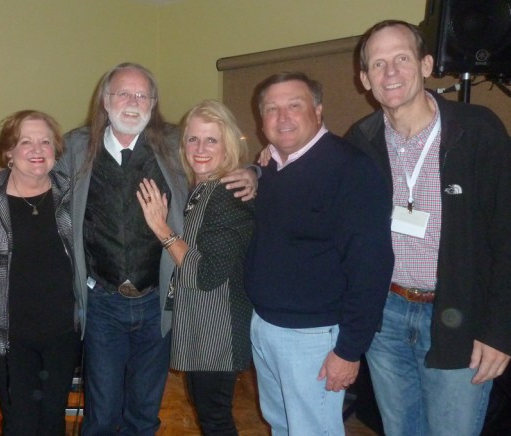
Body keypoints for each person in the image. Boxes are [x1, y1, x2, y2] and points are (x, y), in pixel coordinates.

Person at [0, 62, 257, 434]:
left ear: (153, 103)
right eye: (123, 93)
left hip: (157, 305)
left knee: (143, 411)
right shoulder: (76, 147)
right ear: (105, 100)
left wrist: (254, 173)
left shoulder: (175, 145)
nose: (132, 102)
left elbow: (221, 158)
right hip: (103, 305)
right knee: (101, 413)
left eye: (142, 95)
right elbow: (34, 169)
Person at [346, 20, 511, 436]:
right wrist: (259, 171)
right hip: (387, 317)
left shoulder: (477, 130)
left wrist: (501, 331)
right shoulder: (360, 141)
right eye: (378, 64)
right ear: (365, 79)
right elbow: (317, 183)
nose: (390, 72)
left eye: (401, 58)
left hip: (460, 315)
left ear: (425, 64)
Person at [244, 72, 394, 435]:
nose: (283, 118)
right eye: (272, 109)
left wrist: (348, 350)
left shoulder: (351, 169)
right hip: (265, 326)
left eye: (294, 106)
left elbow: (371, 266)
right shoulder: (269, 168)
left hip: (314, 338)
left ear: (319, 111)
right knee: (281, 426)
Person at [136, 100, 255, 435]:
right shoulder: (198, 189)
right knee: (210, 413)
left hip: (218, 328)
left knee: (215, 418)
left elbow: (206, 274)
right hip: (200, 323)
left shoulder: (227, 195)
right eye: (193, 139)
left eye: (211, 140)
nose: (200, 149)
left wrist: (161, 229)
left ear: (227, 144)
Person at [0, 110, 81, 435]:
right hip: (7, 337)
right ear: (9, 153)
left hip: (62, 332)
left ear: (56, 152)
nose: (37, 149)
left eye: (45, 142)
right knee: (19, 424)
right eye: (25, 141)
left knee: (52, 421)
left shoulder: (71, 194)